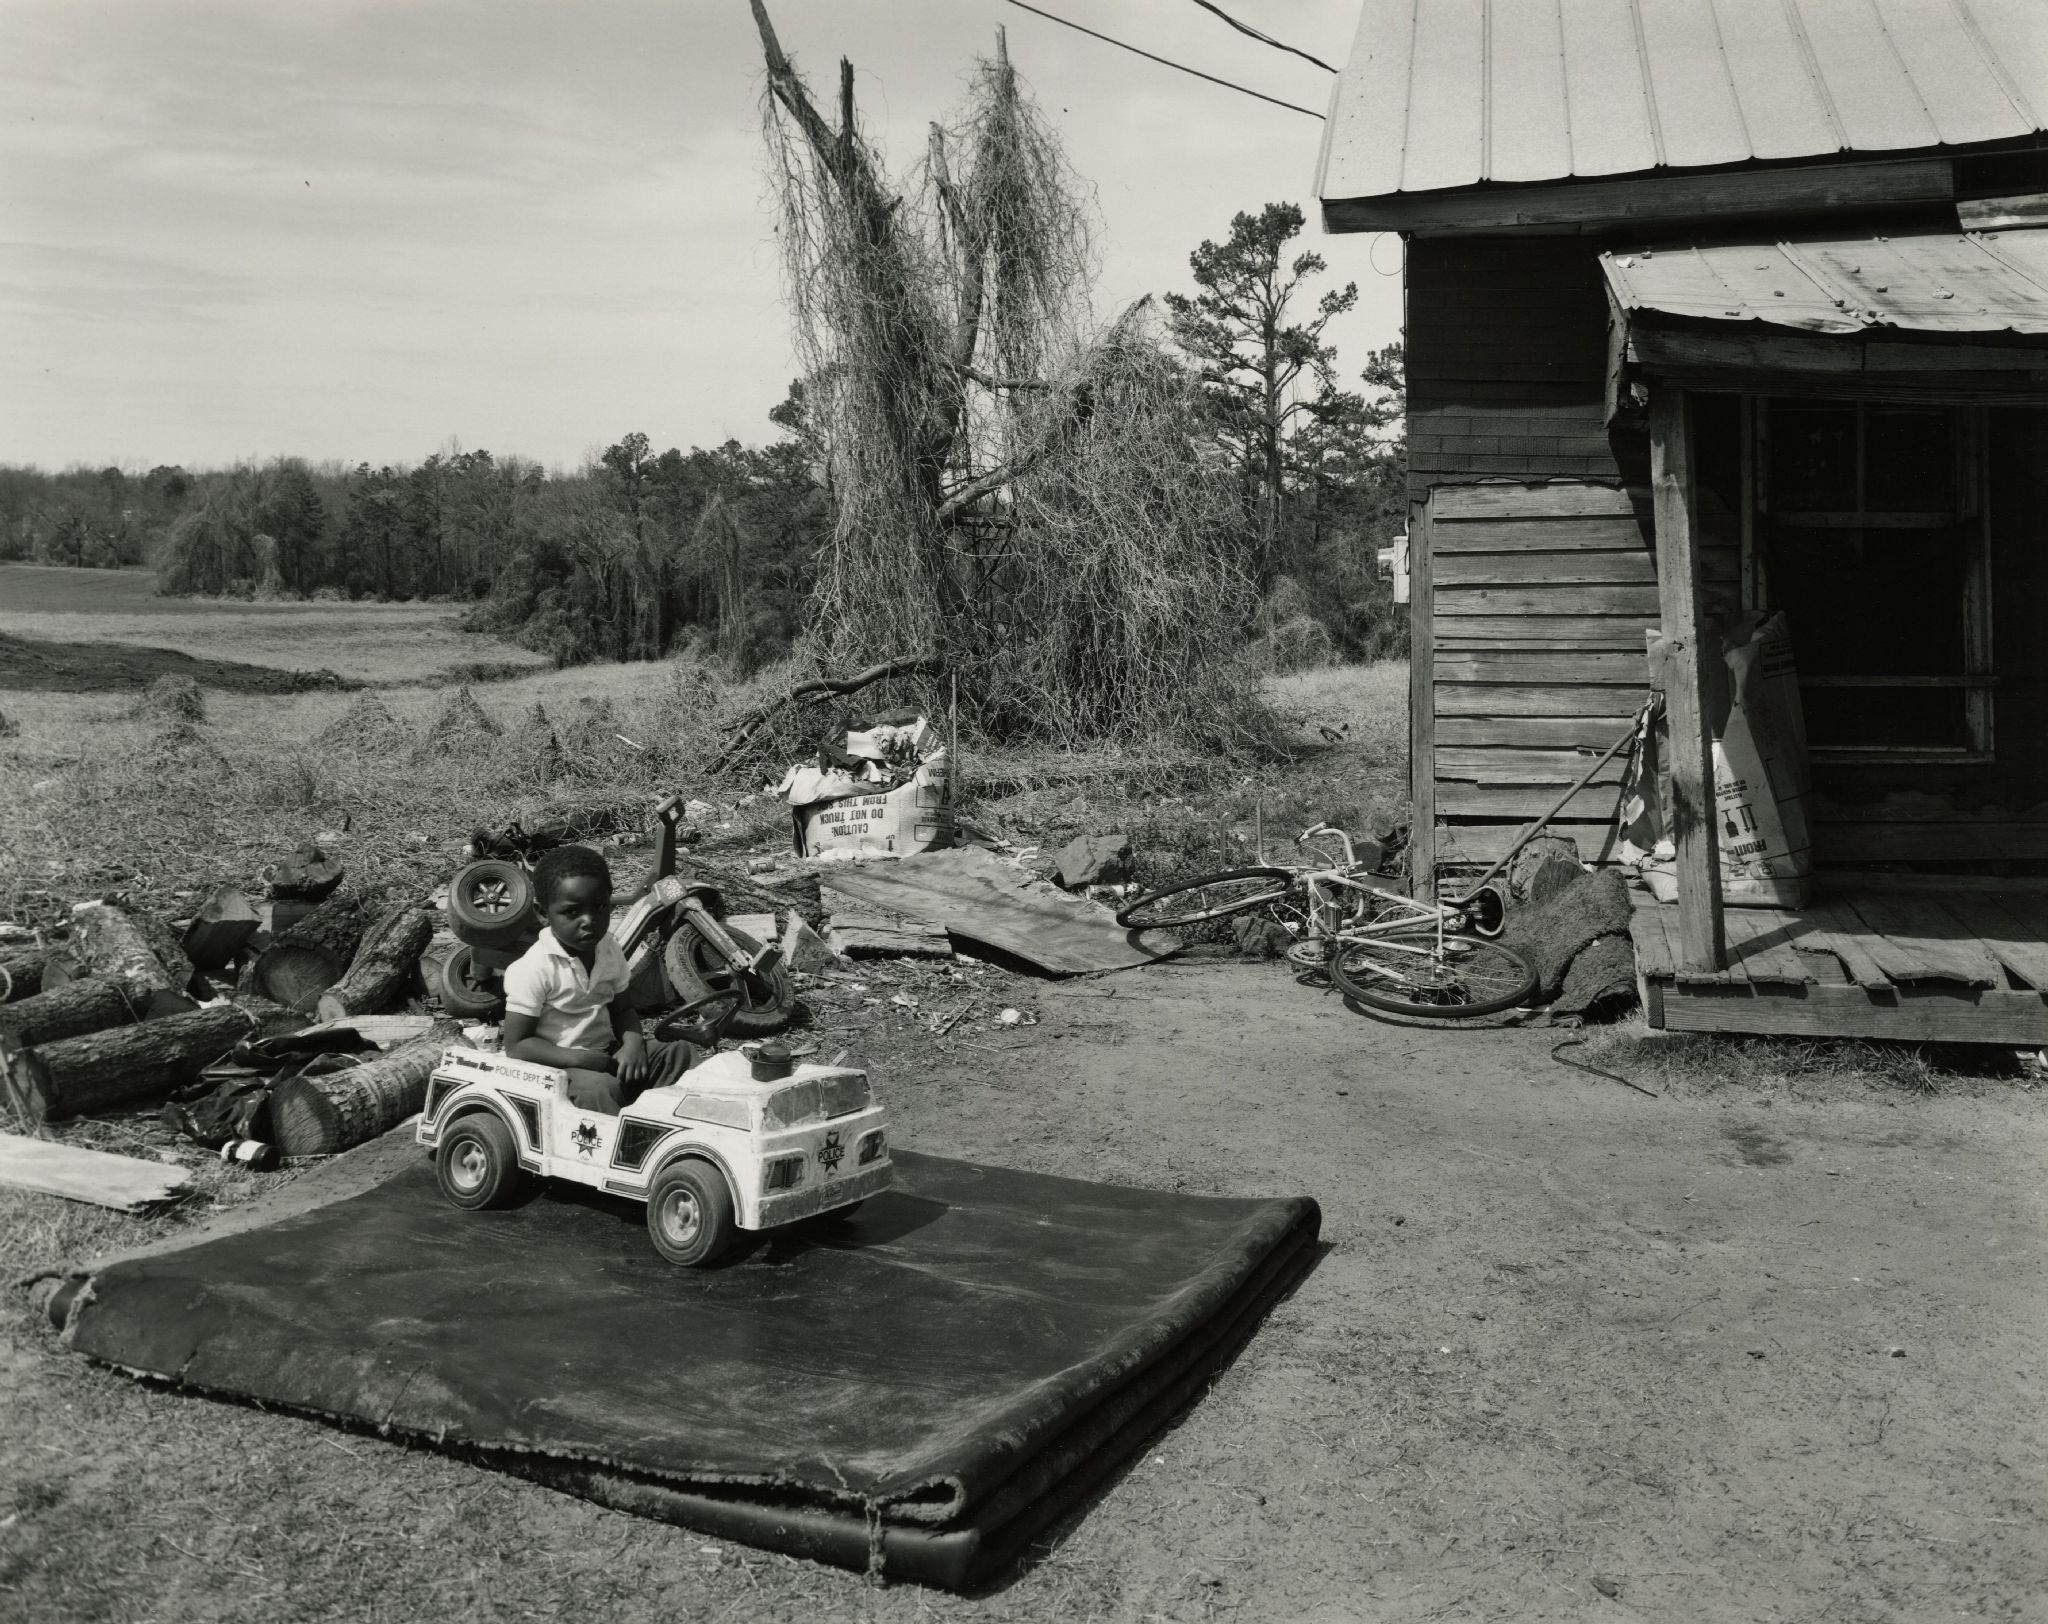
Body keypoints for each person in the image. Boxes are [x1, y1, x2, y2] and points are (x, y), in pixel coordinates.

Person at [500, 844, 698, 1114]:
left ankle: (677, 1123)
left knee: (679, 1054)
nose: (589, 920)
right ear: (543, 912)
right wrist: (581, 1059)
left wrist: (633, 1044)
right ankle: (626, 1147)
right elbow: (517, 1045)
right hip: (556, 1067)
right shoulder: (534, 968)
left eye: (599, 907)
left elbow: (623, 1008)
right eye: (572, 912)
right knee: (600, 1089)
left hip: (605, 1054)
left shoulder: (608, 948)